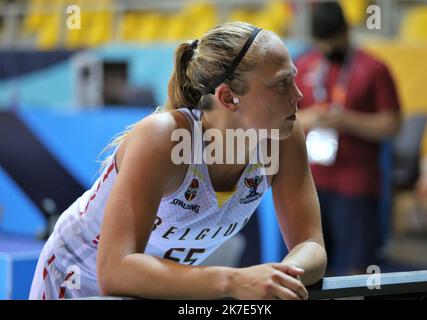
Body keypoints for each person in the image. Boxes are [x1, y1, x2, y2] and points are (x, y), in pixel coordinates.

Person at [29, 22, 327, 300]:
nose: (298, 95)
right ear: (228, 98)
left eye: (294, 78)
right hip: (76, 279)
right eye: (281, 83)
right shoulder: (162, 137)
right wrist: (234, 281)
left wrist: (282, 276)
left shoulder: (283, 136)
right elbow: (115, 270)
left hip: (157, 283)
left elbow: (311, 246)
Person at [294, 2, 401, 275]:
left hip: (356, 184)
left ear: (346, 31)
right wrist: (311, 118)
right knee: (308, 267)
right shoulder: (302, 64)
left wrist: (347, 121)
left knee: (358, 268)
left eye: (334, 41)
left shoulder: (373, 68)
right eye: (323, 43)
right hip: (308, 183)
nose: (329, 49)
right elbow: (286, 119)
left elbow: (391, 124)